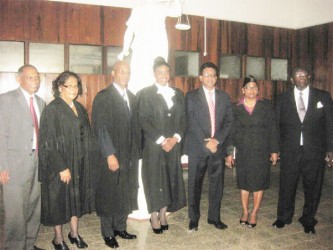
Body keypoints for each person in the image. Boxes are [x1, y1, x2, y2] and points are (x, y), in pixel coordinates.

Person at [272, 67, 333, 234]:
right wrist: (275, 149)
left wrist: (330, 149)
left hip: (314, 151)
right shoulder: (282, 98)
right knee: (287, 185)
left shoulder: (323, 97)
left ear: (309, 77)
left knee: (313, 186)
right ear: (292, 79)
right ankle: (283, 217)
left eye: (304, 74)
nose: (301, 77)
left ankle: (308, 220)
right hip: (289, 150)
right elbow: (275, 126)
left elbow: (329, 124)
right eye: (297, 75)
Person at [38, 71, 95, 250]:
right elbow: (47, 142)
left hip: (78, 163)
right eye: (69, 85)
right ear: (60, 88)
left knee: (75, 199)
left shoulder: (79, 108)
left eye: (76, 85)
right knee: (59, 201)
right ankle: (58, 238)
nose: (73, 89)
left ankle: (74, 234)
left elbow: (87, 135)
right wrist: (61, 166)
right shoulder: (52, 109)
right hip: (60, 165)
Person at [91, 61, 141, 249]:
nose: (125, 75)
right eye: (122, 71)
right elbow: (100, 129)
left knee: (126, 191)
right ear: (113, 73)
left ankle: (120, 227)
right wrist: (109, 154)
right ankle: (108, 232)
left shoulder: (133, 97)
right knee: (109, 192)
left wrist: (137, 152)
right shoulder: (103, 97)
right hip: (111, 155)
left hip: (129, 155)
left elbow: (136, 128)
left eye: (128, 72)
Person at [137, 57, 186, 234]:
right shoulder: (145, 94)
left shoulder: (178, 93)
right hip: (153, 146)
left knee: (169, 179)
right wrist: (162, 140)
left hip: (173, 146)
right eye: (160, 72)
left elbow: (183, 119)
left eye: (166, 72)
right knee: (153, 180)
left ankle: (164, 214)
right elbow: (143, 119)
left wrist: (175, 139)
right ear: (154, 74)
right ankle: (153, 215)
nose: (164, 75)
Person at [0, 65, 45, 250]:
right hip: (14, 166)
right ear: (19, 79)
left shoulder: (41, 102)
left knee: (34, 208)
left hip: (37, 163)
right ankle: (13, 247)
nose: (35, 81)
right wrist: (2, 166)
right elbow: (1, 134)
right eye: (30, 77)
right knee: (15, 212)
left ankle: (28, 244)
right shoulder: (6, 99)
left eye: (37, 77)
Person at [184, 62, 233, 231]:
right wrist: (206, 143)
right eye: (207, 75)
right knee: (194, 185)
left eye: (213, 75)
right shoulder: (191, 96)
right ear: (200, 77)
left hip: (217, 148)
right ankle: (194, 219)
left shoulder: (224, 97)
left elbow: (228, 122)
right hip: (198, 148)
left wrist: (216, 140)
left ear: (216, 78)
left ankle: (214, 217)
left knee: (217, 186)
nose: (210, 78)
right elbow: (191, 122)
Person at [225, 75, 279, 228]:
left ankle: (254, 212)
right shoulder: (235, 108)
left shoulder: (266, 107)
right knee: (244, 183)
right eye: (248, 87)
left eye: (254, 87)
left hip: (262, 151)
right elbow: (231, 132)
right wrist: (229, 153)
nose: (251, 90)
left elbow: (272, 129)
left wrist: (274, 150)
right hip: (243, 151)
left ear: (258, 91)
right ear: (243, 90)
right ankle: (244, 211)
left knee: (259, 183)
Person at [118, 0, 182, 94]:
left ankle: (157, 96)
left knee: (158, 72)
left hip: (158, 46)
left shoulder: (160, 7)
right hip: (142, 46)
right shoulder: (138, 8)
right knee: (140, 74)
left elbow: (177, 12)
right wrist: (125, 49)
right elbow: (130, 30)